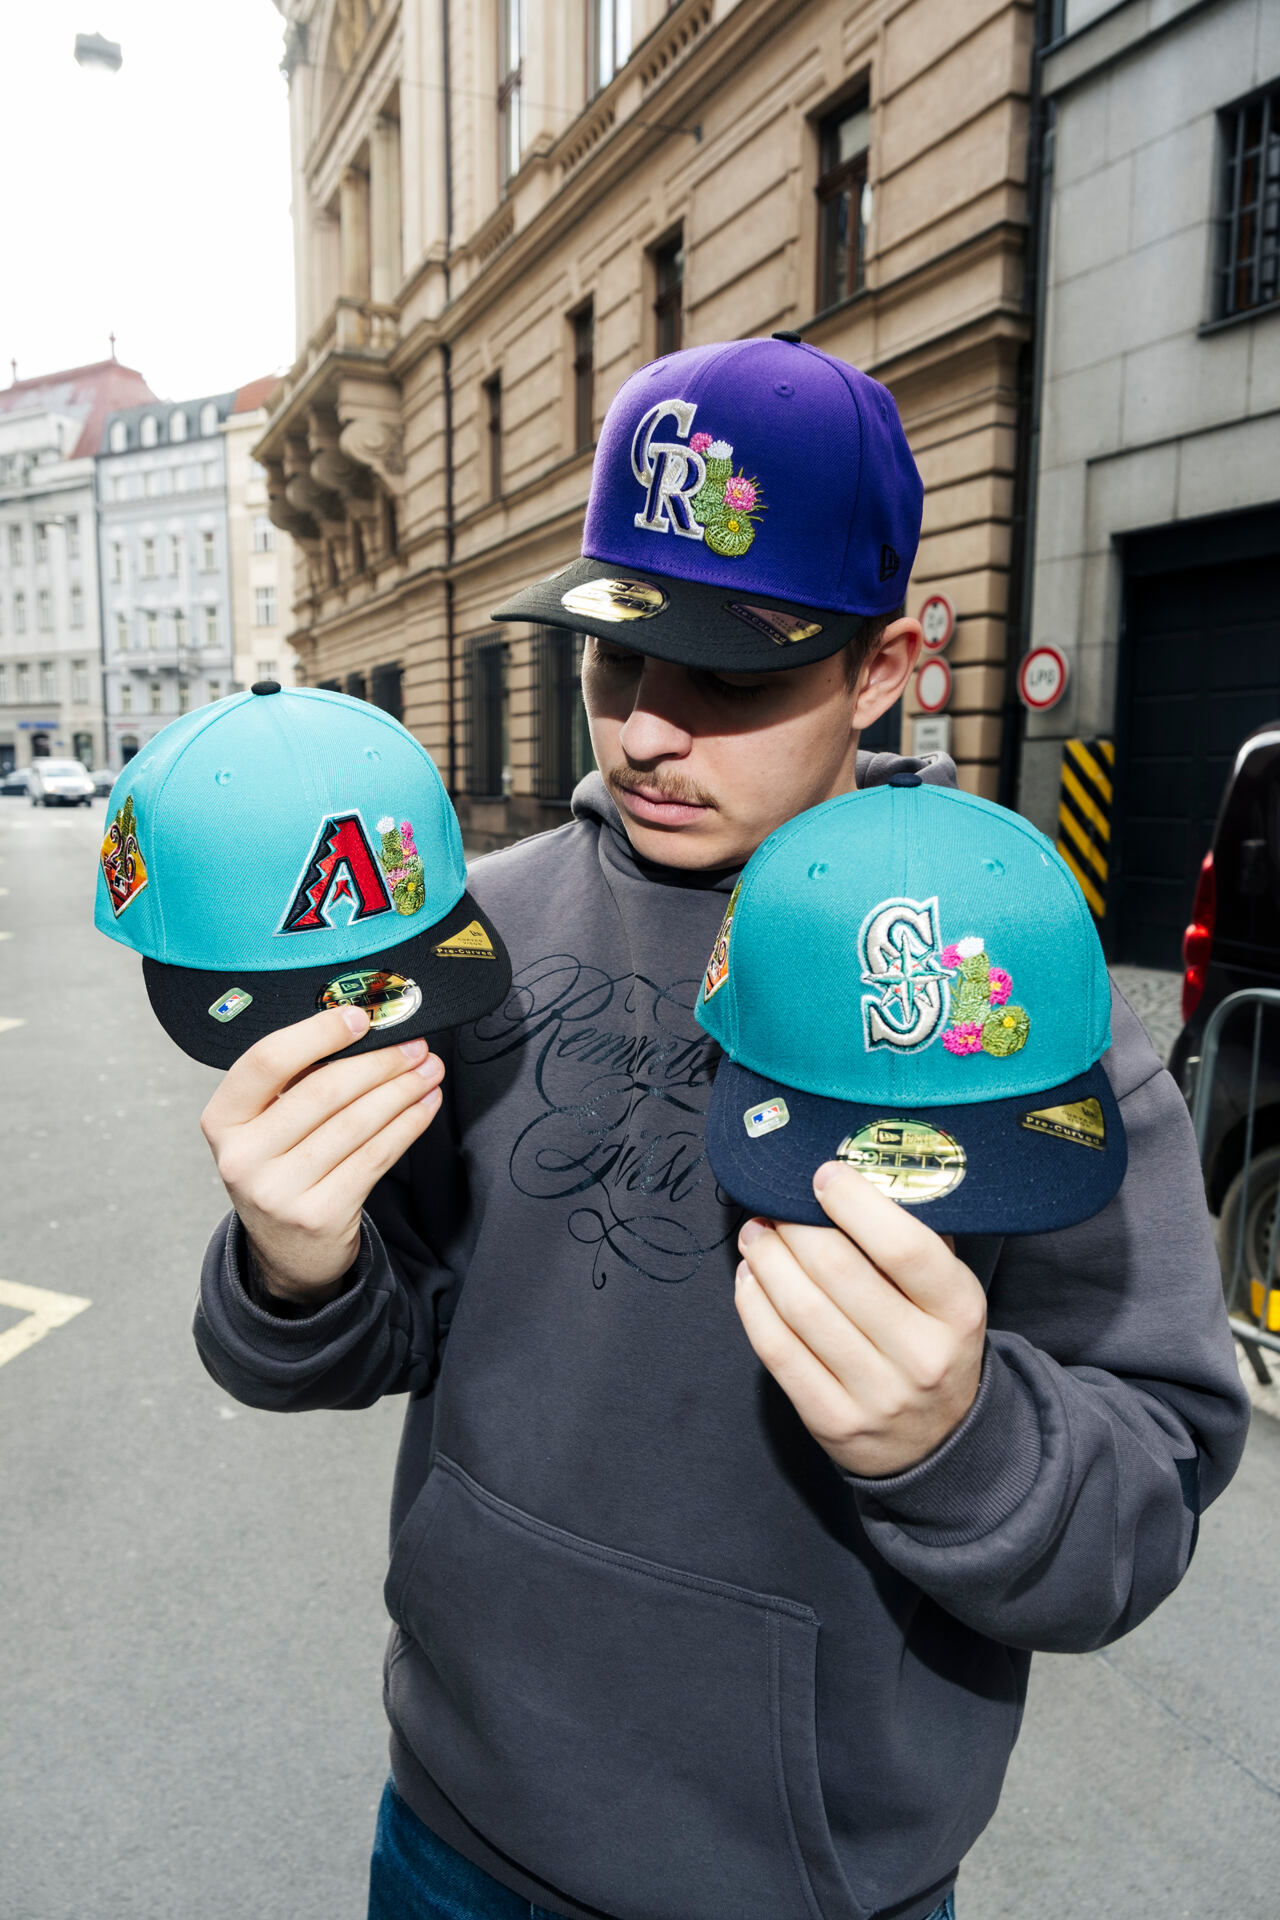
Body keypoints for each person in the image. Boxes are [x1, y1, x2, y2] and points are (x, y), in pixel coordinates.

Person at [194, 336, 1249, 1920]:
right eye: (616, 660)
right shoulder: (477, 938)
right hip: (453, 1825)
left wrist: (961, 1440)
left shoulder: (1008, 989)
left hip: (807, 1882)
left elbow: (1147, 1494)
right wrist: (293, 1267)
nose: (644, 733)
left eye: (731, 679)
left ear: (883, 667)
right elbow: (374, 1333)